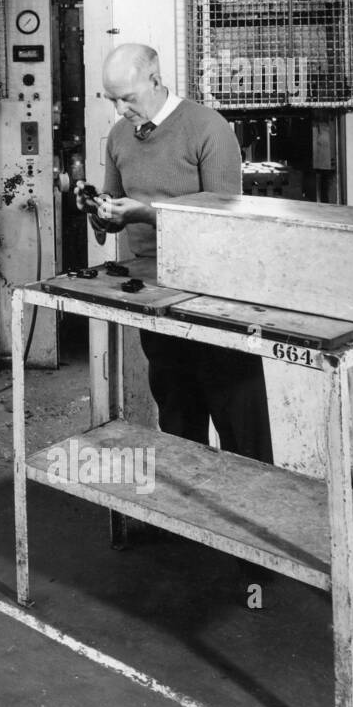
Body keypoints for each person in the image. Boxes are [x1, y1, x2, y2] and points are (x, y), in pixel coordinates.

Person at [91, 42, 272, 463]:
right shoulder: (120, 136)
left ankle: (253, 517)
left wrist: (147, 213)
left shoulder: (208, 128)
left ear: (155, 81)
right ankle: (187, 521)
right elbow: (113, 205)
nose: (120, 109)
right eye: (112, 99)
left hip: (216, 296)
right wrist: (102, 212)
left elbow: (224, 223)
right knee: (177, 417)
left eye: (128, 98)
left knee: (238, 419)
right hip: (155, 293)